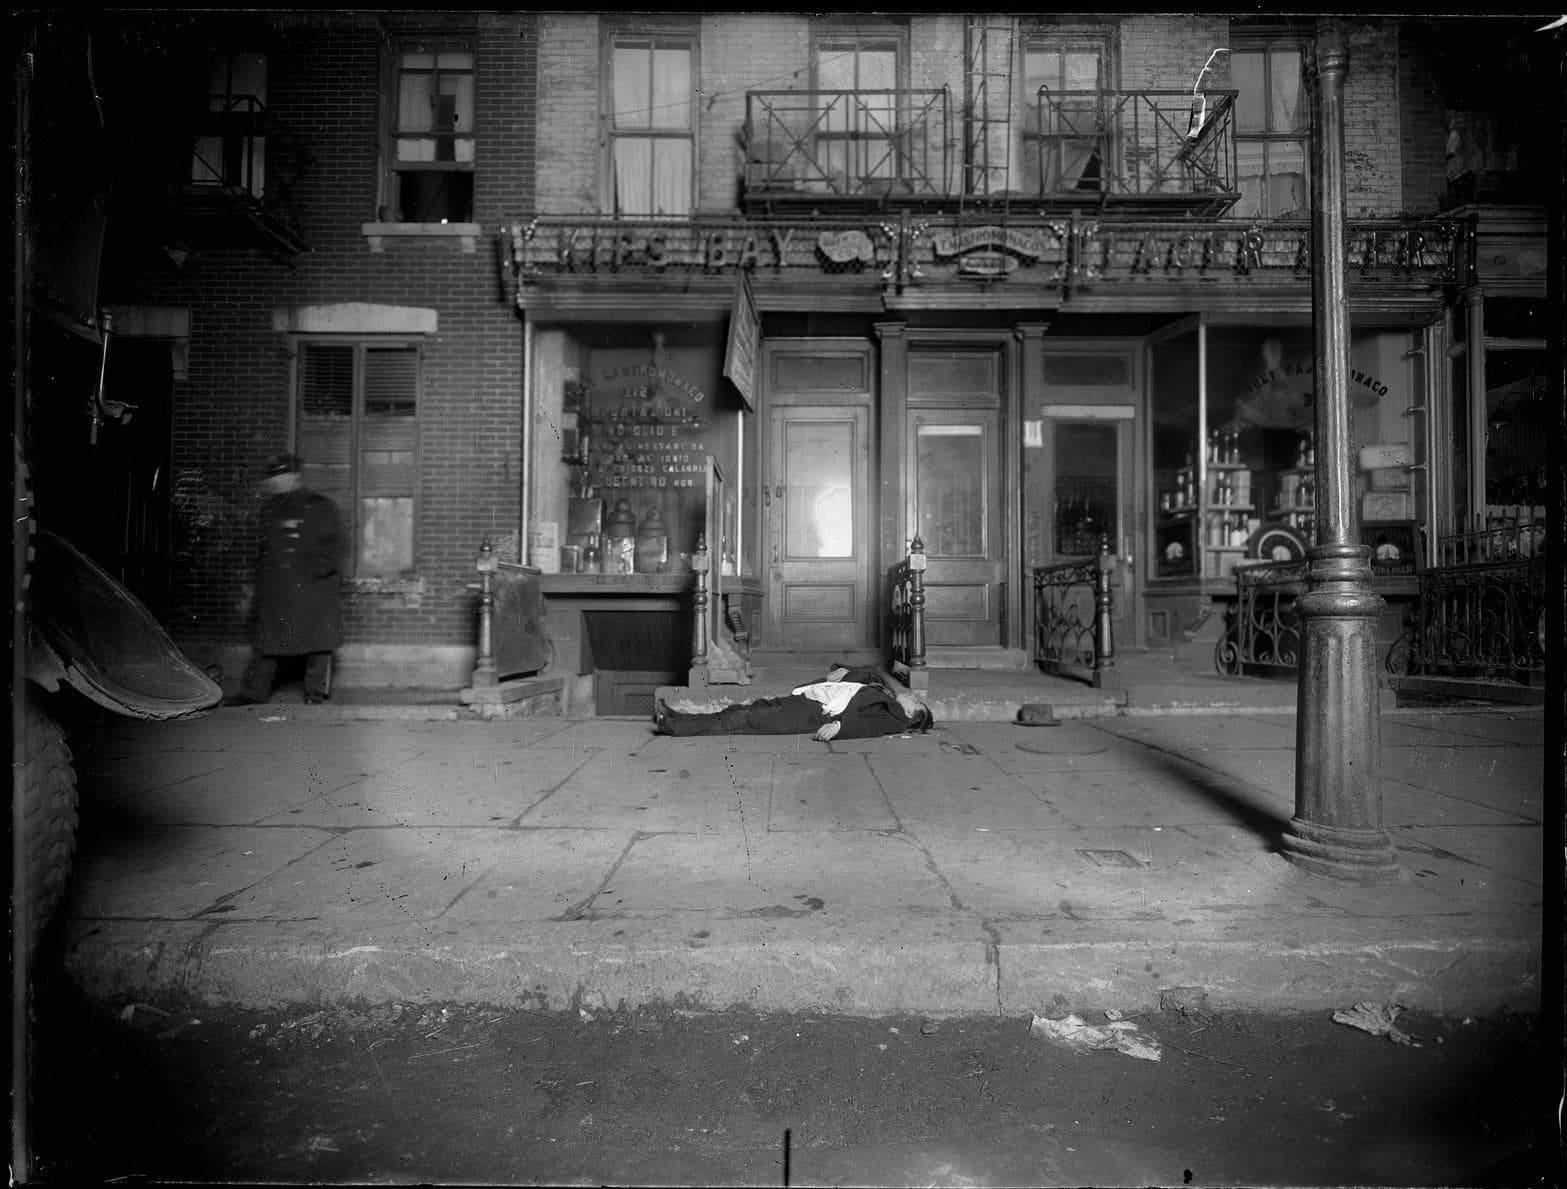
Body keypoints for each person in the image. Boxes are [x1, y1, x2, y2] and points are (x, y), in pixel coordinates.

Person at [224, 453, 347, 706]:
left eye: (280, 476)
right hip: (277, 590)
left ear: (294, 477)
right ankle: (253, 693)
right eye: (273, 477)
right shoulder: (269, 509)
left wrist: (320, 570)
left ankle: (315, 693)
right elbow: (262, 551)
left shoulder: (320, 505)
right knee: (268, 642)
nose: (275, 482)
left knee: (319, 643)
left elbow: (337, 546)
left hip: (313, 589)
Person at [653, 665, 933, 740]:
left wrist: (840, 727)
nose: (913, 696)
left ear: (912, 715)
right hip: (808, 698)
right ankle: (675, 717)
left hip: (814, 713)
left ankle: (673, 727)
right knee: (742, 711)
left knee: (744, 720)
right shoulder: (881, 689)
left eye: (916, 702)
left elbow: (871, 727)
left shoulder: (896, 715)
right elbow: (870, 671)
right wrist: (848, 671)